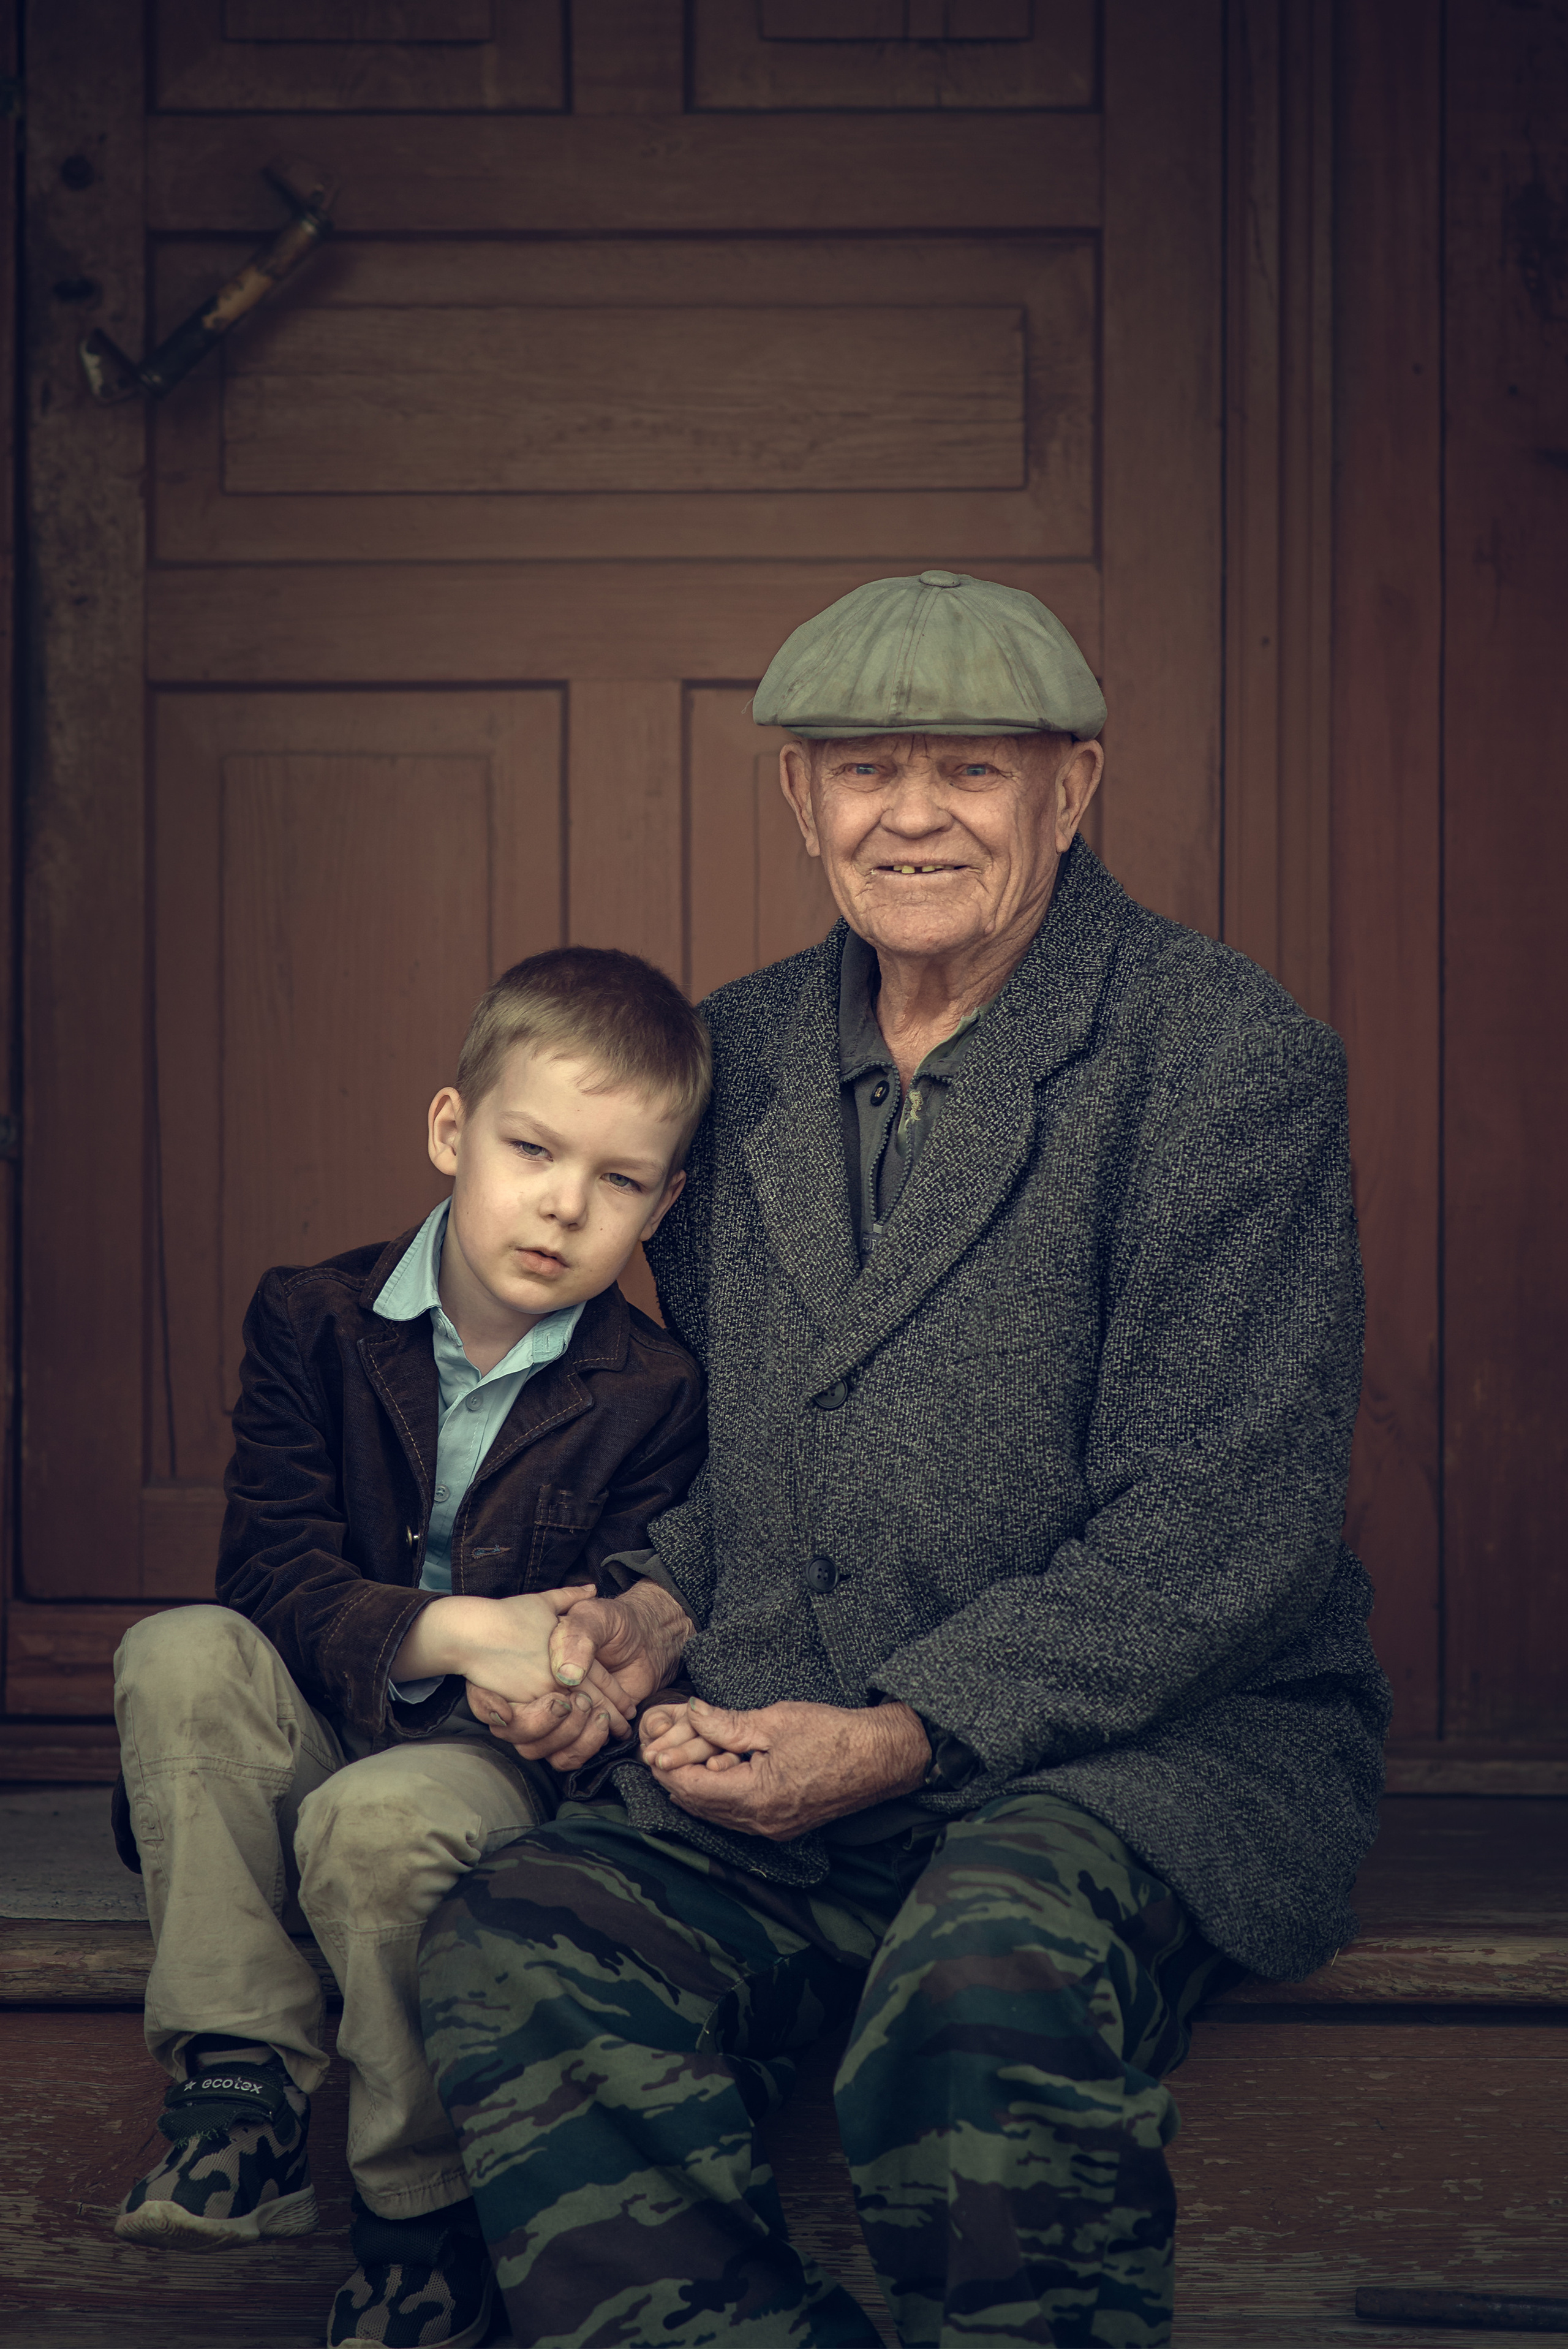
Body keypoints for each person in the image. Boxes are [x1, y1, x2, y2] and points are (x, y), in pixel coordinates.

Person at [418, 572, 1393, 2349]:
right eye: (867, 769)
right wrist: (656, 1606)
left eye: (973, 769)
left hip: (1145, 1745)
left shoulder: (1225, 1061)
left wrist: (905, 1731)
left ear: (1073, 790)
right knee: (527, 1928)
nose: (915, 813)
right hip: (795, 1716)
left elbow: (1222, 1532)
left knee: (986, 1979)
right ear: (801, 797)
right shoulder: (745, 1049)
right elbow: (738, 1436)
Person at [108, 947, 709, 2349]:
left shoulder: (656, 1392)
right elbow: (269, 1574)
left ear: (663, 1206)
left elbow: (629, 1602)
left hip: (477, 1768)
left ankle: (419, 2210)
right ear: (453, 1132)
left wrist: (578, 1681)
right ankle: (239, 2083)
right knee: (178, 1651)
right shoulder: (308, 1321)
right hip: (322, 1700)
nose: (564, 1204)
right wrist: (455, 1629)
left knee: (374, 1822)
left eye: (618, 1181)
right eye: (530, 1149)